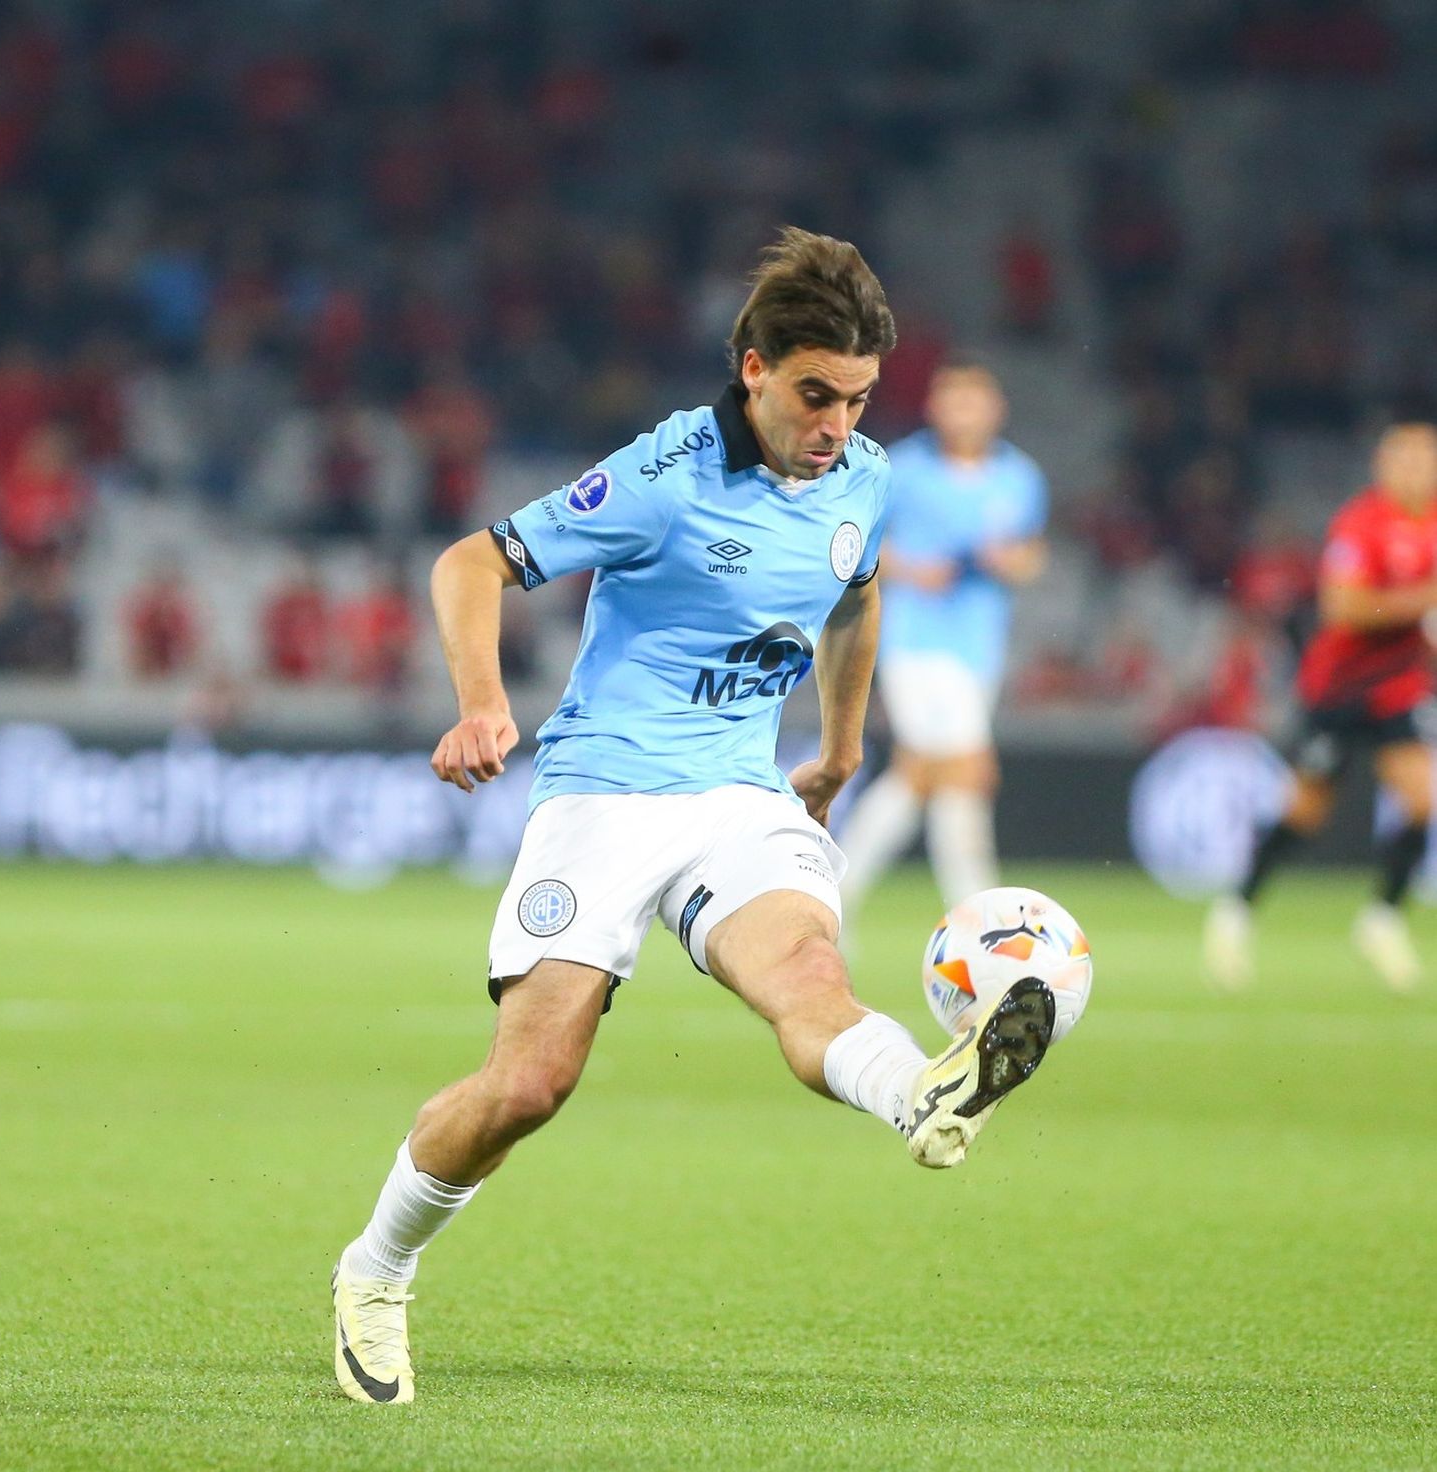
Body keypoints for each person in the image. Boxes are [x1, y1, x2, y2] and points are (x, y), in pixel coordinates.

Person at [330, 230, 1058, 1406]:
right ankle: (376, 1267)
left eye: (860, 400)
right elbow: (471, 563)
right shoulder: (664, 477)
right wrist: (480, 703)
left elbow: (856, 600)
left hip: (737, 792)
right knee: (529, 1087)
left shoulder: (865, 478)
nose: (836, 425)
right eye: (816, 394)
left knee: (810, 977)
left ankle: (923, 1092)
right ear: (755, 367)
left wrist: (839, 746)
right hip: (606, 787)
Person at [1204, 416, 1437, 992]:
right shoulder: (1361, 523)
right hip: (1337, 687)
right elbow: (1342, 607)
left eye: (1424, 458)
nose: (1415, 468)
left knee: (1420, 797)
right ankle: (1236, 910)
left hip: (1398, 687)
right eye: (1403, 457)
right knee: (1306, 809)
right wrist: (1423, 600)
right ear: (1383, 466)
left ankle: (1381, 920)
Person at [837, 361, 1048, 922]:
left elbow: (1032, 554)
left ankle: (833, 894)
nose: (964, 413)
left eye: (973, 401)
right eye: (953, 401)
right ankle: (980, 916)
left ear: (995, 409)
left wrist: (1012, 562)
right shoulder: (901, 469)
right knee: (967, 767)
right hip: (915, 640)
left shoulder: (1019, 478)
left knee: (919, 776)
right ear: (935, 408)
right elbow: (853, 545)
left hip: (979, 645)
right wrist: (909, 571)